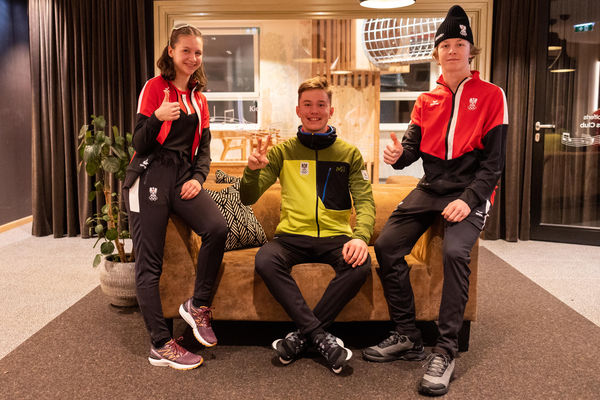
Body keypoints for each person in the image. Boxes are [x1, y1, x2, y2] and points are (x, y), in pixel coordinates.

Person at [362, 5, 508, 396]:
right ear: (437, 53)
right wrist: (398, 156)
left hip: (470, 187)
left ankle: (445, 351)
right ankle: (408, 335)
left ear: (470, 51)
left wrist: (470, 200)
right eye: (446, 45)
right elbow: (411, 150)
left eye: (460, 44)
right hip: (430, 186)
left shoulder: (492, 95)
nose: (453, 50)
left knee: (455, 252)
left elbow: (493, 165)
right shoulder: (426, 99)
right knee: (387, 246)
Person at [239, 76, 376, 374]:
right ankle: (320, 337)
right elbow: (248, 197)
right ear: (298, 110)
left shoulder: (349, 153)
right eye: (308, 104)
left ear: (331, 110)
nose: (314, 111)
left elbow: (365, 202)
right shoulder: (281, 152)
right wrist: (251, 171)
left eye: (321, 105)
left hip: (336, 237)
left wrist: (361, 237)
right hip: (291, 237)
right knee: (265, 259)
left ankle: (302, 337)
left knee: (361, 264)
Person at [123, 24, 228, 370]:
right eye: (186, 51)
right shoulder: (155, 88)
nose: (192, 58)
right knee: (149, 263)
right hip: (149, 177)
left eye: (198, 52)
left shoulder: (199, 98)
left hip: (182, 178)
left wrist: (198, 178)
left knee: (217, 228)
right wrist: (156, 117)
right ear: (171, 51)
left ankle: (198, 306)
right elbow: (139, 143)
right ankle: (160, 344)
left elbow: (204, 150)